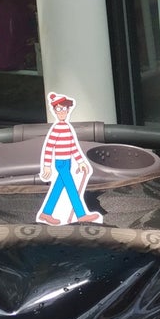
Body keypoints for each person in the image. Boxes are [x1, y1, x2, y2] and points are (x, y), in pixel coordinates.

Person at [36, 92, 102, 225]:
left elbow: (73, 147)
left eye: (64, 109)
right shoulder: (56, 129)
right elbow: (49, 147)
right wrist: (47, 165)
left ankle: (46, 213)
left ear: (68, 110)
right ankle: (81, 214)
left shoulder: (67, 128)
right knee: (72, 189)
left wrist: (81, 162)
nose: (62, 112)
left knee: (57, 188)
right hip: (60, 163)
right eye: (59, 109)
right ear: (54, 111)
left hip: (68, 162)